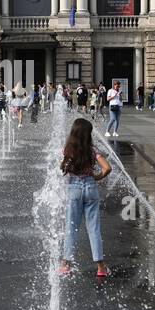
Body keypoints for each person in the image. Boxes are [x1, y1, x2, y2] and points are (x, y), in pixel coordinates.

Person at [58, 117, 111, 278]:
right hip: (90, 188)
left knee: (71, 227)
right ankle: (101, 267)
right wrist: (96, 177)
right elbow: (107, 168)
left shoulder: (68, 150)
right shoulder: (92, 150)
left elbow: (63, 169)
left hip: (74, 189)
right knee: (93, 228)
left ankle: (66, 264)